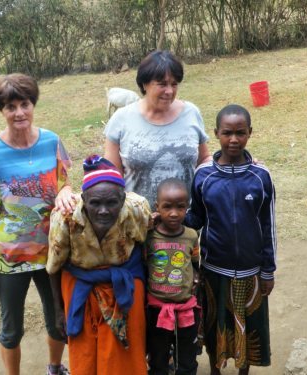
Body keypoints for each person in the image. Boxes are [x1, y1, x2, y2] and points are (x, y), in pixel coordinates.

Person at [0, 73, 74, 375]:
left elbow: (66, 184)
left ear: (33, 104)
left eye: (24, 104)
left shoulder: (53, 142)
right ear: (0, 110)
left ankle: (55, 368)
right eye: (10, 106)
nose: (19, 113)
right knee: (11, 328)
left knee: (59, 319)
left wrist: (66, 190)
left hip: (52, 252)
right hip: (9, 257)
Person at [185, 104, 277, 375]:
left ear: (250, 133)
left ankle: (243, 371)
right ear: (216, 133)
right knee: (215, 325)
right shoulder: (204, 175)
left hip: (251, 271)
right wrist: (170, 217)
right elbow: (196, 219)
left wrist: (268, 270)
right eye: (227, 133)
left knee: (249, 328)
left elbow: (268, 225)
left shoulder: (261, 177)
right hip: (214, 269)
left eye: (240, 133)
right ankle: (215, 370)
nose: (233, 139)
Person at [46, 155, 151, 375]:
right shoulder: (64, 218)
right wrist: (59, 311)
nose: (103, 210)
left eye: (111, 202)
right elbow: (54, 267)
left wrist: (147, 301)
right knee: (84, 354)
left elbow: (145, 250)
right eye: (95, 203)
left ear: (122, 199)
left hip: (125, 285)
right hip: (79, 287)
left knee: (125, 355)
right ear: (84, 199)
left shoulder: (137, 209)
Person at [104, 50, 211, 210]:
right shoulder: (121, 119)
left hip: (184, 223)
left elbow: (204, 160)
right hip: (138, 223)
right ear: (144, 84)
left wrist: (237, 165)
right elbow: (112, 176)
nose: (169, 91)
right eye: (162, 84)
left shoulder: (191, 113)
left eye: (174, 84)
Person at [146, 178, 201, 375]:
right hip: (157, 310)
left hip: (186, 309)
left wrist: (195, 281)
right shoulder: (148, 236)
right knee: (158, 359)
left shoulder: (191, 235)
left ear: (187, 207)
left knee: (187, 359)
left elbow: (195, 264)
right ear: (157, 207)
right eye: (167, 207)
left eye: (180, 207)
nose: (174, 213)